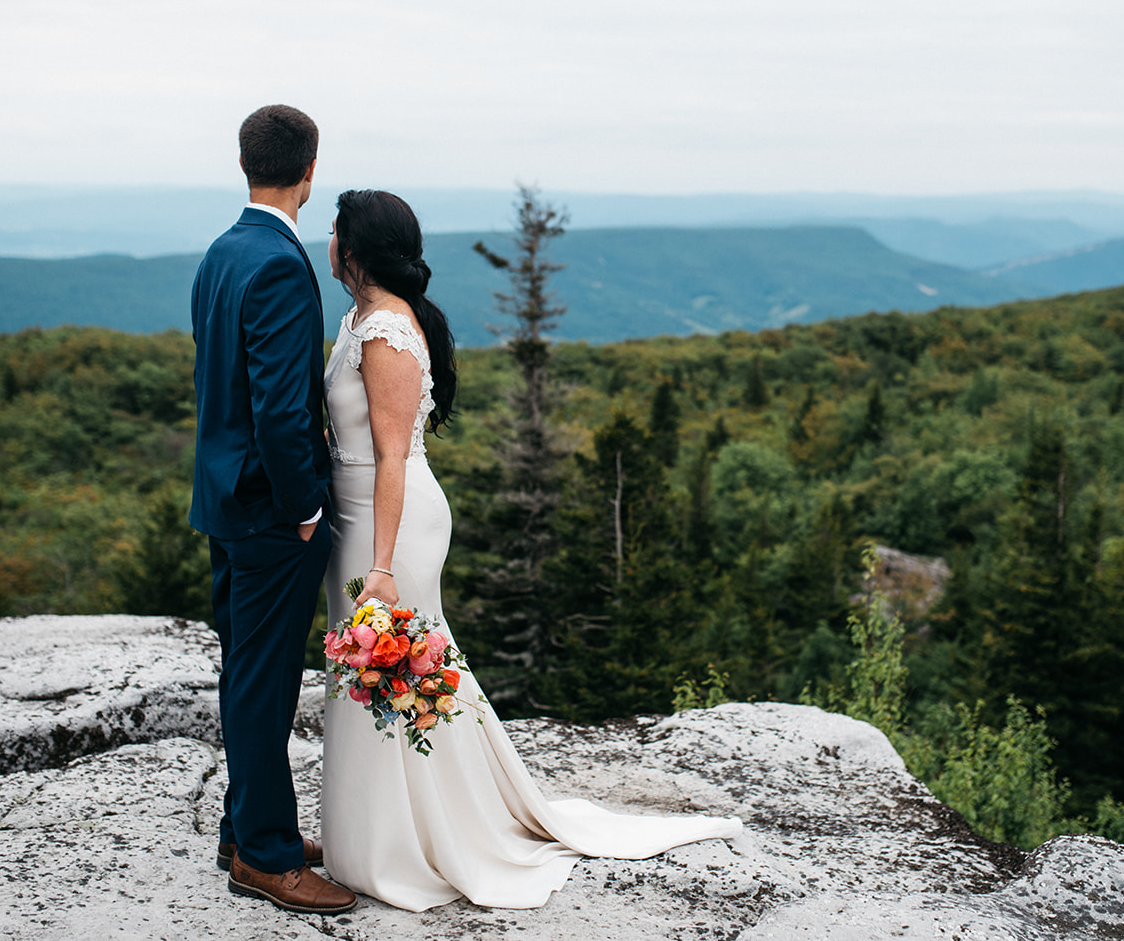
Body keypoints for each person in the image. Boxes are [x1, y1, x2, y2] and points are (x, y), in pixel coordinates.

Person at [319, 188, 742, 911]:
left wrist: (383, 568)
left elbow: (392, 455)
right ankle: (379, 828)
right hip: (357, 519)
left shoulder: (387, 328)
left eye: (334, 231)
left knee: (396, 676)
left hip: (388, 527)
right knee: (380, 681)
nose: (326, 241)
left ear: (353, 249)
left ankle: (409, 839)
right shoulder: (361, 318)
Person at [189, 104, 356, 915]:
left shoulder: (223, 252)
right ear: (309, 170)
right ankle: (266, 856)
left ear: (247, 163)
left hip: (223, 499)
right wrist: (302, 508)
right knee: (263, 684)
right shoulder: (283, 264)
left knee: (245, 675)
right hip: (268, 511)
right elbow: (281, 409)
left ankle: (245, 826)